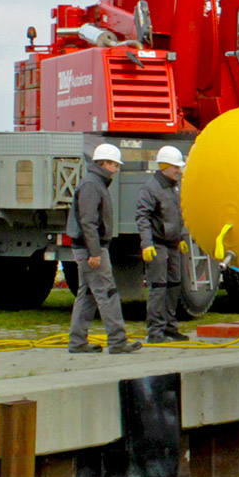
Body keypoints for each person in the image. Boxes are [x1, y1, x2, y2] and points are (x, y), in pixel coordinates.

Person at [68, 143, 140, 355]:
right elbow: (88, 222)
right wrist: (95, 252)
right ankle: (118, 341)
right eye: (115, 165)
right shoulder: (92, 185)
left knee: (88, 294)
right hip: (92, 248)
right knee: (107, 292)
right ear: (104, 163)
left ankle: (77, 341)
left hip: (88, 248)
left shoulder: (95, 182)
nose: (117, 170)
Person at [137, 144, 190, 344]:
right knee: (158, 287)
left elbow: (179, 215)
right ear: (165, 167)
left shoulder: (174, 187)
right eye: (176, 167)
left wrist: (182, 237)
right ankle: (155, 332)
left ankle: (170, 327)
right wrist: (147, 244)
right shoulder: (151, 189)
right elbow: (142, 217)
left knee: (174, 284)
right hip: (158, 244)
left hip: (173, 244)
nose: (179, 170)